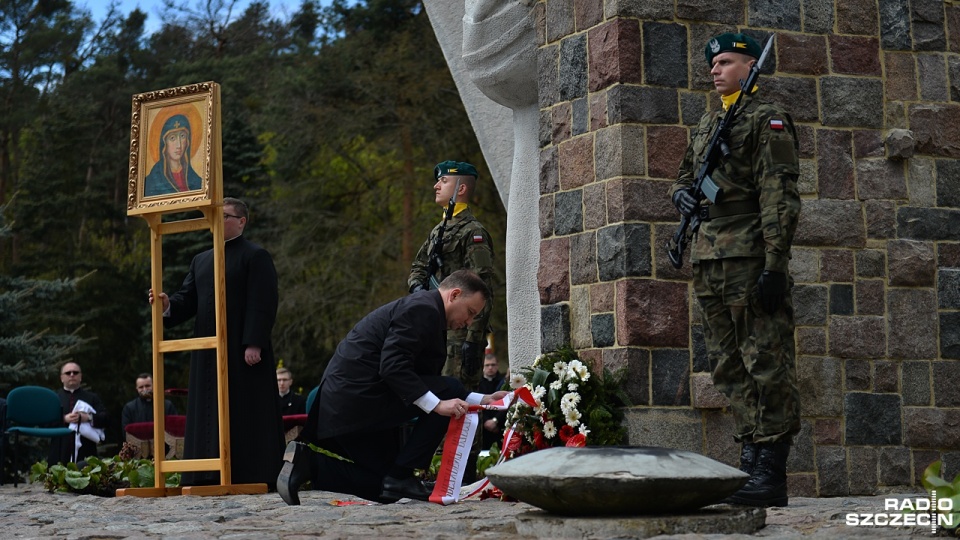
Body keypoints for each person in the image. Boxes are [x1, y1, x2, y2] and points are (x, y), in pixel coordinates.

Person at [669, 32, 801, 508]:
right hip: (709, 255)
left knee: (766, 360)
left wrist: (776, 264)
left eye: (725, 62)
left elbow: (779, 195)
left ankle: (771, 469)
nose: (715, 69)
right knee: (728, 364)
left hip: (749, 257)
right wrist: (681, 195)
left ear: (749, 66)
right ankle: (749, 456)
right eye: (713, 63)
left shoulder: (768, 119)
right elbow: (686, 177)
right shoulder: (710, 122)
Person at [277, 269, 508, 505]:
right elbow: (392, 366)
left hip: (351, 406)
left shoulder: (426, 310)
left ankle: (310, 464)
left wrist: (483, 400)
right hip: (354, 402)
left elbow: (418, 375)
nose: (469, 323)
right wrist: (437, 405)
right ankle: (401, 476)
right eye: (470, 313)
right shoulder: (424, 309)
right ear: (455, 294)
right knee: (449, 388)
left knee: (386, 486)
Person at [149, 197, 284, 487]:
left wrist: (254, 343)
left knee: (243, 411)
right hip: (208, 350)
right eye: (215, 216)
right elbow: (188, 301)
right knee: (208, 411)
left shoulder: (255, 255)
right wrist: (166, 305)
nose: (217, 221)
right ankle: (204, 474)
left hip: (242, 351)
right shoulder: (201, 259)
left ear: (241, 222)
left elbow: (263, 301)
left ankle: (249, 475)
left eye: (224, 216)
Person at [407, 161, 496, 393]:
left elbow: (483, 291)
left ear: (461, 189)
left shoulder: (473, 232)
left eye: (443, 181)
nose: (436, 186)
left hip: (460, 337)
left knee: (461, 404)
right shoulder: (438, 231)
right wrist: (419, 291)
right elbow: (418, 266)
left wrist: (473, 340)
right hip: (436, 330)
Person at [48, 362, 108, 465]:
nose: (72, 375)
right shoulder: (54, 398)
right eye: (68, 373)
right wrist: (64, 419)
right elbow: (45, 422)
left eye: (75, 372)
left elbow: (106, 418)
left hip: (86, 448)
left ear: (80, 377)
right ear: (62, 378)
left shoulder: (92, 397)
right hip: (60, 448)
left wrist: (88, 417)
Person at [143, 114, 203, 197]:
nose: (179, 145)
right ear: (164, 144)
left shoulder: (197, 182)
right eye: (172, 138)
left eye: (182, 136)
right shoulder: (152, 182)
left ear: (188, 141)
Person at [477, 353, 506, 451]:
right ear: (483, 367)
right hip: (482, 428)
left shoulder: (504, 382)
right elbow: (476, 403)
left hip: (500, 425)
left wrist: (495, 420)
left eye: (493, 365)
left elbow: (507, 402)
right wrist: (485, 422)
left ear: (497, 365)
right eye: (487, 365)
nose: (490, 368)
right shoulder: (477, 383)